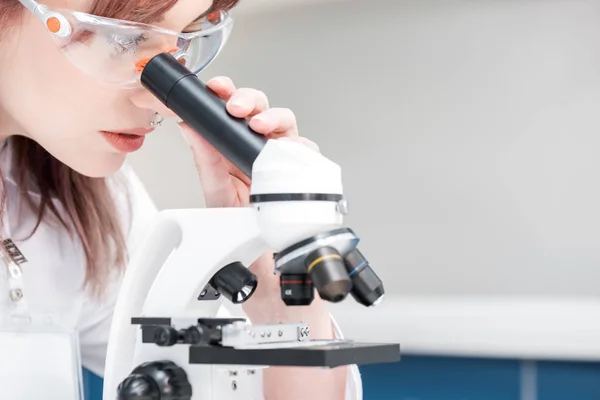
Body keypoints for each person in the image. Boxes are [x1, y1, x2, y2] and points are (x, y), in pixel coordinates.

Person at [0, 0, 362, 399]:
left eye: (181, 47)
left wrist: (277, 299)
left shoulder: (81, 206)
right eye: (125, 38)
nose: (160, 103)